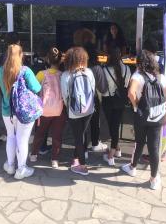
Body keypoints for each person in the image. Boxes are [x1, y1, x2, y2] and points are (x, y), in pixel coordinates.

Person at [122, 50, 166, 190]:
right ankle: (154, 179)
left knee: (139, 142)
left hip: (142, 116)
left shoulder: (138, 76)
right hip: (157, 116)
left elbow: (130, 93)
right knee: (154, 147)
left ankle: (132, 167)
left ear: (139, 62)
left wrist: (136, 106)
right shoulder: (161, 77)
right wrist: (164, 114)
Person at [0, 44, 41, 180]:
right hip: (23, 111)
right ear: (21, 55)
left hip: (7, 110)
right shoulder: (25, 71)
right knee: (22, 140)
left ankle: (10, 166)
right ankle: (21, 169)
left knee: (11, 137)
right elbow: (37, 87)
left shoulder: (1, 71)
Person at [61, 47, 95, 176]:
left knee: (78, 137)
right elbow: (92, 89)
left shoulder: (66, 75)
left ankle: (82, 166)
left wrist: (69, 106)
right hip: (89, 109)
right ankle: (77, 158)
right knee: (81, 134)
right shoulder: (89, 72)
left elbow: (65, 96)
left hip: (73, 110)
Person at [30, 47, 67, 169]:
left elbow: (32, 89)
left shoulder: (41, 74)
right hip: (59, 110)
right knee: (57, 136)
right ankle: (54, 160)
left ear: (47, 60)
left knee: (39, 134)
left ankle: (34, 155)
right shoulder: (62, 75)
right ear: (60, 61)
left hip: (43, 110)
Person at [102, 47, 131, 166]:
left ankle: (111, 155)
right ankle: (117, 149)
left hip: (107, 100)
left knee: (112, 125)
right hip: (120, 100)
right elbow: (128, 83)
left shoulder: (104, 70)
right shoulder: (127, 68)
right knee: (116, 124)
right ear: (120, 56)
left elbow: (102, 87)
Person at [83, 42, 108, 155]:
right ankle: (95, 144)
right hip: (93, 98)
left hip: (80, 99)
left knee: (82, 124)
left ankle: (83, 150)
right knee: (94, 121)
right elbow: (103, 88)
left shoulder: (79, 67)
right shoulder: (97, 68)